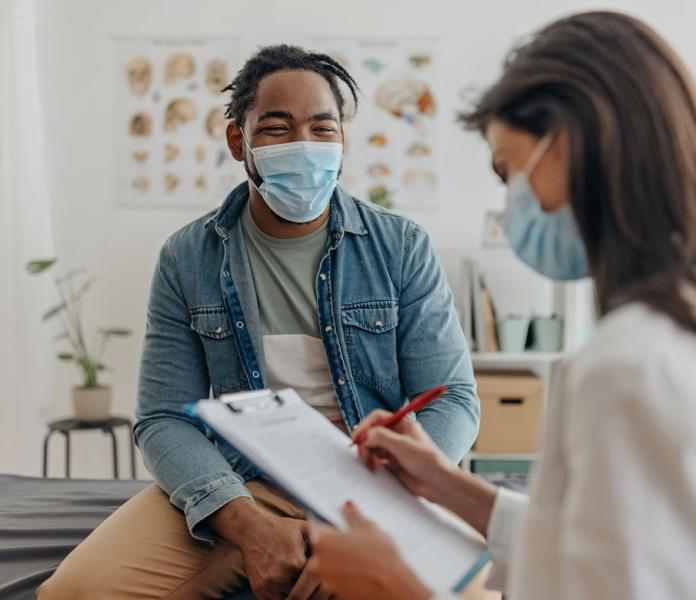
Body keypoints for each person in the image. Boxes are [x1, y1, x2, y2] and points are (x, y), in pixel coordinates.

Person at [307, 11, 696, 600]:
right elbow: (603, 550)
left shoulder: (635, 368)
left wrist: (391, 586)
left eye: (508, 170)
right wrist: (447, 486)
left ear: (567, 145)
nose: (509, 202)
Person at [38, 45, 479, 599]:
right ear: (236, 141)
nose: (304, 145)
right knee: (76, 591)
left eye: (323, 129)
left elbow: (453, 399)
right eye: (277, 128)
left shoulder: (401, 248)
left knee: (465, 588)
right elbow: (162, 417)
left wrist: (381, 507)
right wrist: (247, 525)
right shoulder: (186, 258)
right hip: (243, 480)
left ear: (342, 139)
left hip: (381, 483)